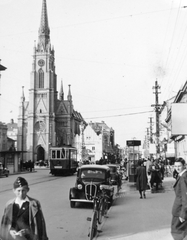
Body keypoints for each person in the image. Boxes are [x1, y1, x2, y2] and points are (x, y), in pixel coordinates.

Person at [171, 157, 187, 240]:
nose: (177, 168)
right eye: (175, 166)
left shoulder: (183, 178)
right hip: (180, 209)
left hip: (180, 210)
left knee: (177, 232)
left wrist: (183, 214)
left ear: (184, 166)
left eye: (179, 166)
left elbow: (185, 197)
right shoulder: (182, 176)